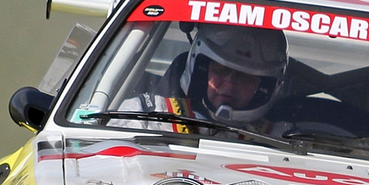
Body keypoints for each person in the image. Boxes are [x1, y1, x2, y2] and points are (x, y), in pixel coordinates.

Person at [120, 23, 289, 133]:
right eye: (221, 70)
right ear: (201, 70)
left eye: (245, 77)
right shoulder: (144, 116)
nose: (229, 84)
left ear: (264, 88)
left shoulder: (282, 140)